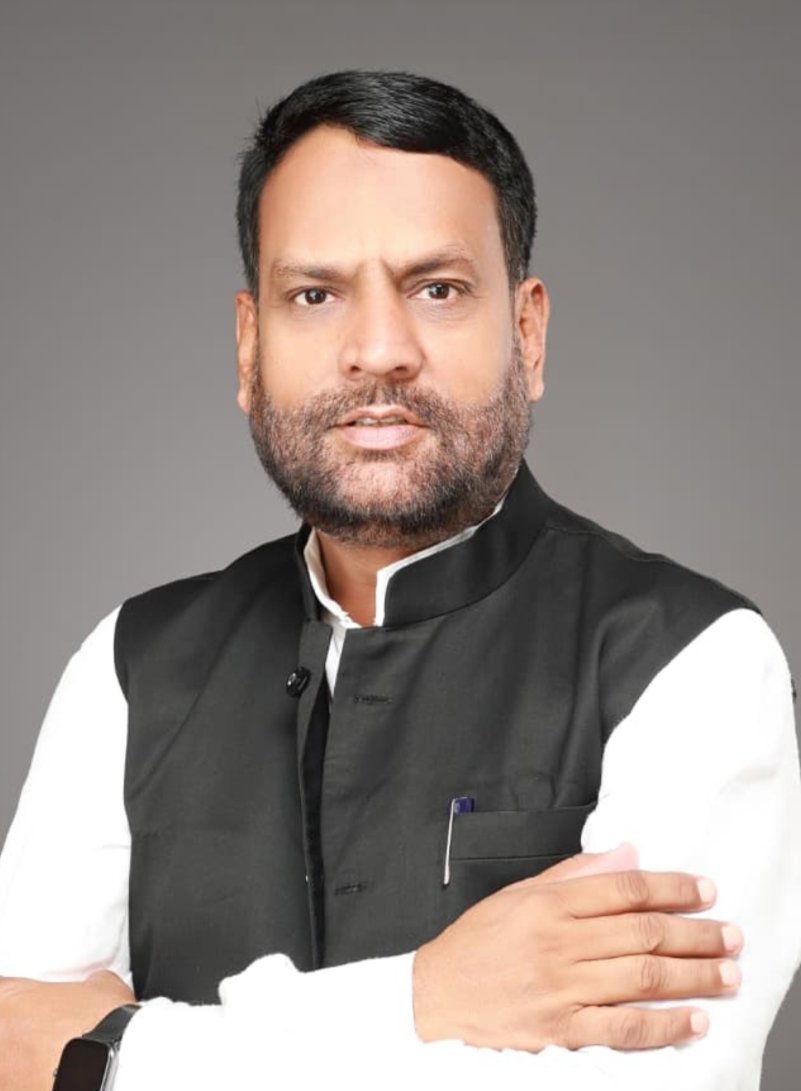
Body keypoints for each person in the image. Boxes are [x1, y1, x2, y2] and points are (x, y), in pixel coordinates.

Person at [0, 69, 799, 1091]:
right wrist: (423, 997)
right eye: (315, 295)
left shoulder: (693, 661)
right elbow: (13, 1043)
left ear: (528, 333)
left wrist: (121, 1055)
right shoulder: (130, 664)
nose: (378, 351)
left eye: (436, 289)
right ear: (249, 346)